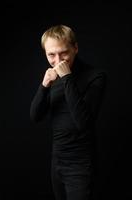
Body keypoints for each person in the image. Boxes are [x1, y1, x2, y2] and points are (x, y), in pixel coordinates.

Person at [30, 24, 106, 200]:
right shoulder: (53, 78)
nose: (58, 60)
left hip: (81, 164)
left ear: (75, 48)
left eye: (63, 52)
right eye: (51, 54)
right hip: (57, 161)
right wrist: (44, 86)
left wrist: (67, 78)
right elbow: (35, 116)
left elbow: (83, 122)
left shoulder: (96, 76)